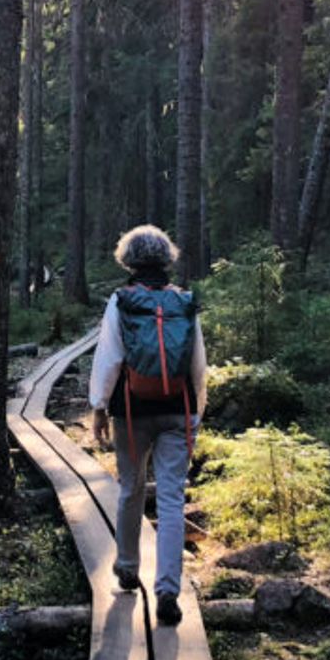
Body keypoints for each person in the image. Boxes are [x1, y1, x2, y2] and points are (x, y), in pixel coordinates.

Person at [88, 224, 207, 627]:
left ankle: (126, 565)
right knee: (173, 497)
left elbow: (109, 359)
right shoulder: (183, 302)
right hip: (178, 411)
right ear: (166, 260)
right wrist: (196, 413)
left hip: (132, 411)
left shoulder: (122, 302)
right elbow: (198, 365)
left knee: (131, 487)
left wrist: (99, 407)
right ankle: (168, 589)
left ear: (130, 261)